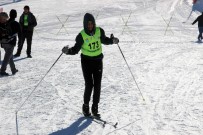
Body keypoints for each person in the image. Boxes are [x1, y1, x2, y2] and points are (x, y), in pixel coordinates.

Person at [62, 13, 119, 117]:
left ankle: (95, 107)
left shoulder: (99, 31)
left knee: (97, 85)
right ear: (84, 24)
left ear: (94, 23)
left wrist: (112, 41)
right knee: (89, 84)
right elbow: (75, 50)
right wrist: (67, 51)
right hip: (86, 62)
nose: (90, 26)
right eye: (88, 24)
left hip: (98, 61)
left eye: (91, 24)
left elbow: (104, 40)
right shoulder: (81, 36)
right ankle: (86, 106)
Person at [0, 10, 20, 76]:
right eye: (3, 19)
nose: (5, 20)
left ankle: (13, 69)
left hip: (4, 43)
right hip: (9, 42)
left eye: (5, 19)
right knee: (7, 57)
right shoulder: (13, 23)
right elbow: (18, 32)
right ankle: (2, 70)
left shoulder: (6, 23)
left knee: (9, 56)